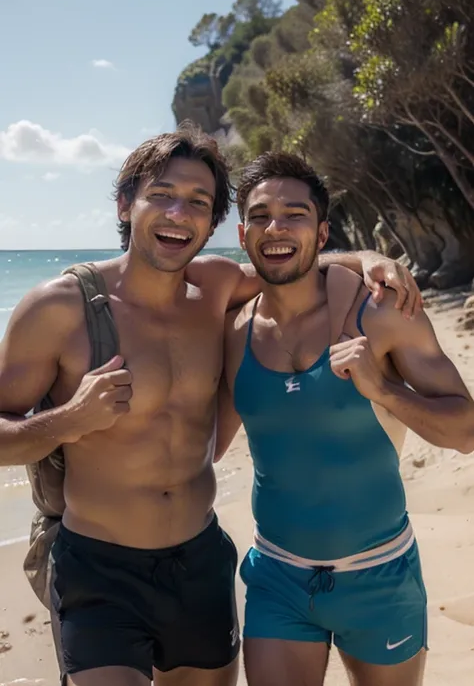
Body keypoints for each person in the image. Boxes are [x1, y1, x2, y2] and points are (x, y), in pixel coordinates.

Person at [0, 125, 420, 686]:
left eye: (198, 202)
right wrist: (70, 420)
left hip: (199, 562)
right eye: (162, 194)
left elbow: (291, 263)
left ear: (217, 223)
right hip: (98, 568)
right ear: (127, 203)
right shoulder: (58, 308)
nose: (179, 213)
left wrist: (369, 256)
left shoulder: (217, 287)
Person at [220, 151, 474, 686]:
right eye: (262, 216)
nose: (277, 227)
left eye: (295, 214)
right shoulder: (231, 330)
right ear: (243, 236)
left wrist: (380, 388)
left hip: (381, 577)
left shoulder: (379, 313)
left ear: (323, 231)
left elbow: (465, 431)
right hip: (277, 578)